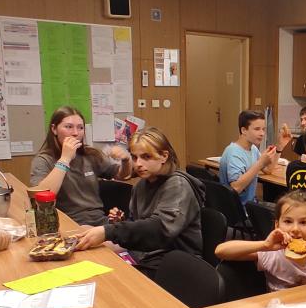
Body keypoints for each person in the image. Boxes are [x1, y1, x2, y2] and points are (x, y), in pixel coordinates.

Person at [77, 128, 203, 277]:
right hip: (146, 256)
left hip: (175, 265)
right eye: (134, 157)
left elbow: (159, 229)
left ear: (164, 156)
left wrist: (108, 232)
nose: (138, 164)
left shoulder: (178, 186)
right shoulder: (142, 185)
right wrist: (117, 226)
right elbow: (139, 224)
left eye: (146, 157)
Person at [30, 106, 133, 225]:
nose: (75, 133)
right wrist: (65, 159)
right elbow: (41, 198)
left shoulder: (90, 154)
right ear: (54, 129)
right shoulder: (43, 160)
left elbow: (121, 175)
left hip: (99, 222)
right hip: (67, 225)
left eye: (80, 128)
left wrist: (126, 160)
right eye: (68, 127)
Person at [219, 109, 278, 208]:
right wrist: (260, 163)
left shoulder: (253, 148)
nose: (262, 133)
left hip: (251, 203)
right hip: (239, 209)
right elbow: (236, 188)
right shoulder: (234, 153)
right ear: (244, 130)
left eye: (263, 129)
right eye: (257, 129)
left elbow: (268, 170)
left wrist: (279, 148)